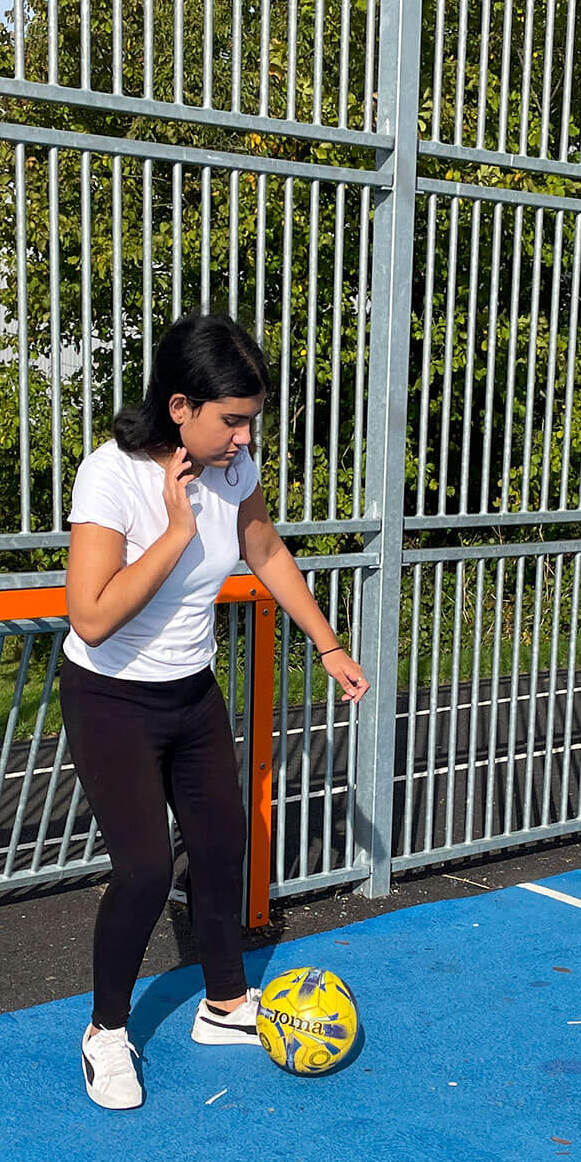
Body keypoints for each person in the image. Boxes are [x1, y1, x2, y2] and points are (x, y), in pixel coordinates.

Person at [62, 314, 367, 1110]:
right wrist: (177, 528)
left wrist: (328, 645)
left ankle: (225, 1005)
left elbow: (264, 549)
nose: (243, 437)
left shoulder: (235, 467)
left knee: (224, 840)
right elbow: (90, 616)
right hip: (111, 699)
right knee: (144, 869)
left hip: (190, 691)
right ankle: (106, 1033)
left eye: (251, 420)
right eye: (230, 419)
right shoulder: (111, 475)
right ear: (178, 407)